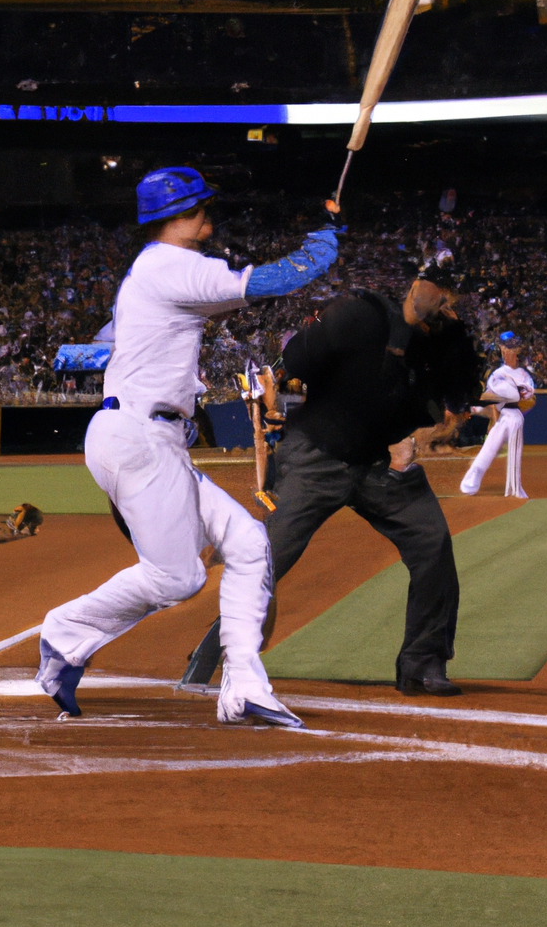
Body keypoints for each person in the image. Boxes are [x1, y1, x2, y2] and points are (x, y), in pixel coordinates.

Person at [35, 167, 342, 726]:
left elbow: (123, 338)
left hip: (149, 438)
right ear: (180, 215)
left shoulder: (151, 272)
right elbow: (274, 281)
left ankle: (244, 687)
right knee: (178, 578)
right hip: (139, 439)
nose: (209, 217)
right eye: (201, 208)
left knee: (249, 544)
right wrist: (323, 242)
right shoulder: (172, 266)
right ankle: (65, 632)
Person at [263, 272, 483, 696]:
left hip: (375, 464)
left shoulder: (435, 350)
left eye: (452, 298)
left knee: (431, 542)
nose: (444, 303)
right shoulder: (361, 313)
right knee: (267, 556)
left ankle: (423, 662)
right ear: (417, 286)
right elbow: (298, 359)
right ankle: (223, 647)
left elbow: (448, 403)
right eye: (439, 290)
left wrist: (454, 344)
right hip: (317, 456)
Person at [459, 331, 534, 498]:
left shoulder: (522, 373)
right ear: (502, 350)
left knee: (507, 450)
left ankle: (515, 489)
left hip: (512, 413)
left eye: (514, 347)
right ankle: (470, 482)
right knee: (489, 449)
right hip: (502, 411)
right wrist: (494, 418)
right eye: (508, 347)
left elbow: (526, 395)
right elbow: (494, 398)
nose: (512, 350)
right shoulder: (497, 372)